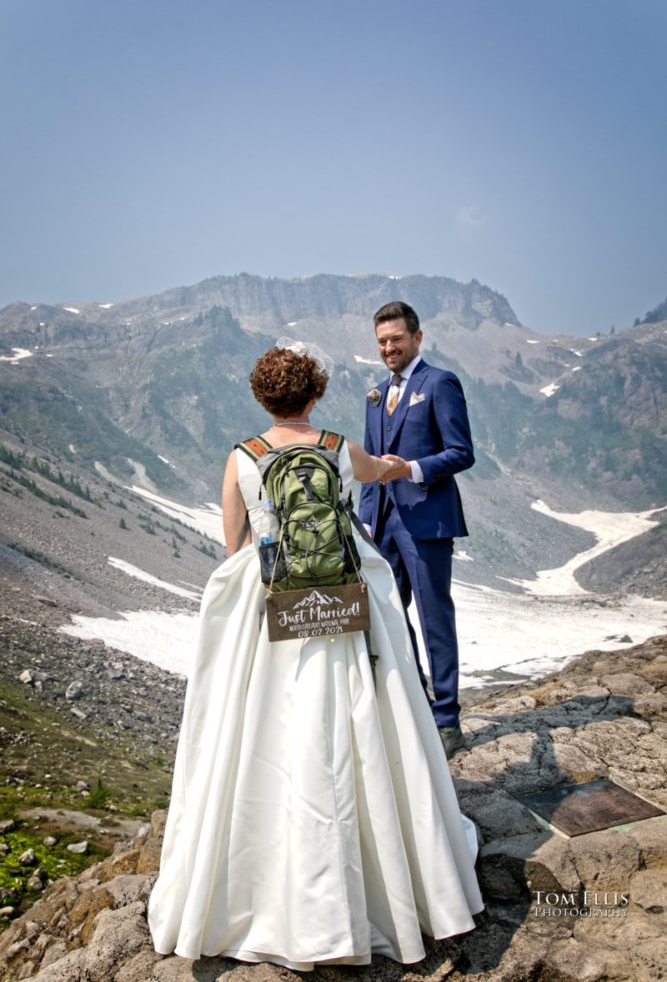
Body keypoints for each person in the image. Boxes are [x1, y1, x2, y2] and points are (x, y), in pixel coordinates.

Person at [148, 341, 483, 971]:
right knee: (358, 718)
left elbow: (235, 540)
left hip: (275, 597)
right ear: (316, 394)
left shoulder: (242, 457)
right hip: (340, 595)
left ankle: (265, 882)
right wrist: (387, 466)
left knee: (261, 726)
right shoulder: (335, 447)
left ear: (260, 397)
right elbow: (382, 474)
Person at [359, 302, 474, 759]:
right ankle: (418, 702)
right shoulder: (373, 395)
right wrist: (367, 520)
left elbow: (462, 452)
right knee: (388, 616)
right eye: (382, 342)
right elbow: (369, 461)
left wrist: (413, 469)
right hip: (384, 523)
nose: (389, 348)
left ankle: (447, 720)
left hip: (427, 521)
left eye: (396, 340)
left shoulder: (440, 383)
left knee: (434, 619)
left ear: (417, 338)